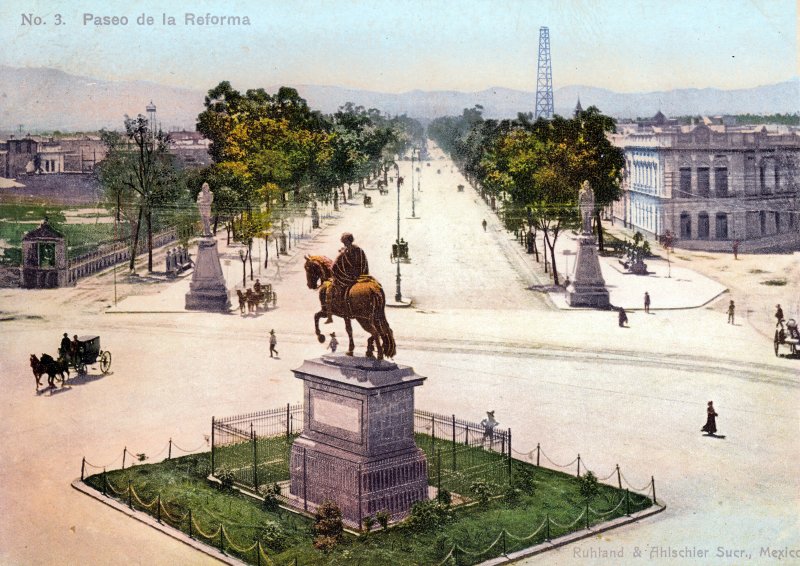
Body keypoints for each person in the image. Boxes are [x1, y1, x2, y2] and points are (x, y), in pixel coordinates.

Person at [325, 233, 369, 324]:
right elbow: (364, 264)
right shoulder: (360, 250)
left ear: (345, 242)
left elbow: (333, 268)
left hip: (347, 279)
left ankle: (331, 315)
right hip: (362, 277)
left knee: (330, 290)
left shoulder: (343, 253)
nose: (344, 244)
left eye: (344, 242)